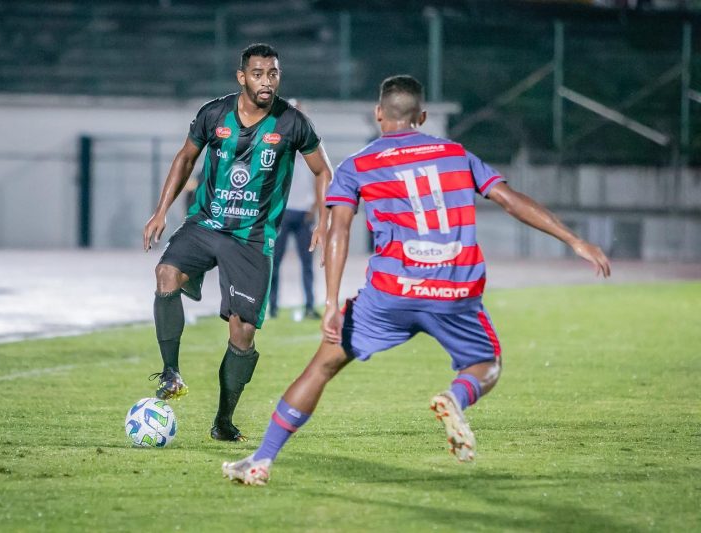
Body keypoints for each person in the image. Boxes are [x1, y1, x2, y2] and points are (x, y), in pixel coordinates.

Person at [222, 75, 611, 484]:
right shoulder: (457, 153)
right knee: (485, 363)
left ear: (378, 114)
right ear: (422, 117)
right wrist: (574, 240)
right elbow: (510, 201)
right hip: (454, 289)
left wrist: (333, 302)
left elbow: (338, 231)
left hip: (392, 293)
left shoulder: (358, 164)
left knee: (321, 367)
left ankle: (262, 460)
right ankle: (455, 397)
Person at [142, 43, 333, 441]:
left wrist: (324, 219)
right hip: (206, 224)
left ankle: (223, 421)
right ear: (242, 77)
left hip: (252, 240)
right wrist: (161, 211)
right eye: (259, 74)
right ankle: (171, 372)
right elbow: (185, 158)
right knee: (165, 273)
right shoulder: (214, 114)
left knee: (242, 334)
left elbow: (323, 171)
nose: (267, 81)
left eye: (274, 74)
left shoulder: (293, 123)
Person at [268, 99, 320, 320]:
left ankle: (309, 305)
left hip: (304, 212)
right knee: (273, 262)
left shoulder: (313, 143)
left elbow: (321, 176)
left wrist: (316, 206)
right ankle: (271, 307)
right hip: (283, 211)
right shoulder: (275, 142)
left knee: (307, 263)